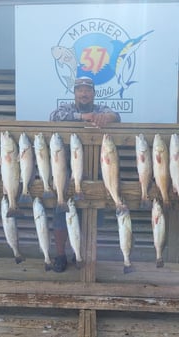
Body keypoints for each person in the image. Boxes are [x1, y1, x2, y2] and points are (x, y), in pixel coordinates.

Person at [49, 76, 121, 272]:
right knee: (60, 217)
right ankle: (61, 255)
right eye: (80, 90)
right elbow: (53, 116)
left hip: (95, 173)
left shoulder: (101, 110)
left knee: (91, 217)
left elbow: (116, 115)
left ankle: (81, 255)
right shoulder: (66, 110)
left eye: (87, 90)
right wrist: (83, 118)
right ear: (74, 93)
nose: (84, 93)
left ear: (94, 93)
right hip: (64, 172)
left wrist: (109, 118)